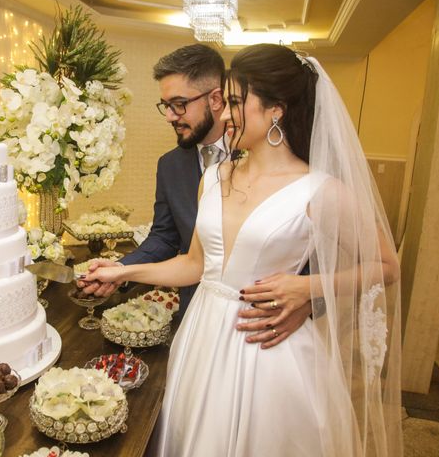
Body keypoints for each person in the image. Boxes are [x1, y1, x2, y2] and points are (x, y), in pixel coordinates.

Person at [83, 44, 403, 457]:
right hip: (202, 337)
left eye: (235, 102)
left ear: (276, 110)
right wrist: (123, 269)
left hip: (266, 350)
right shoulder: (215, 177)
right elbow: (195, 265)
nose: (226, 114)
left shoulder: (320, 190)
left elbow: (386, 265)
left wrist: (305, 287)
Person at [84, 44, 312, 348]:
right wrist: (121, 271)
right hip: (198, 319)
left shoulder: (278, 159)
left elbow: (320, 254)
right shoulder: (170, 165)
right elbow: (165, 239)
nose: (169, 116)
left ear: (215, 99)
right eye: (164, 105)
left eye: (179, 104)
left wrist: (308, 302)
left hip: (269, 328)